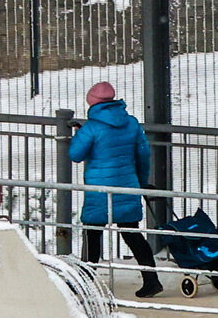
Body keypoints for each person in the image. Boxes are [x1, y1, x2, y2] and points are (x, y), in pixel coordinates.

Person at [68, 81, 163, 298]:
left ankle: (86, 283)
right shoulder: (131, 123)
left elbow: (75, 154)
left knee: (92, 235)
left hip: (99, 191)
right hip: (127, 186)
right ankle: (151, 280)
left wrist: (79, 134)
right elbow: (143, 154)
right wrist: (139, 182)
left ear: (92, 103)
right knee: (132, 234)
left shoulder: (92, 127)